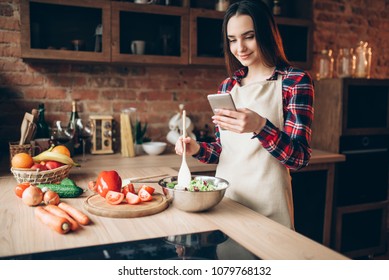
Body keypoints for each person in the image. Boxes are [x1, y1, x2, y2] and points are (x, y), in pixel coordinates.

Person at [175, 0, 314, 229]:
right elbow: (224, 150)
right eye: (232, 40)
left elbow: (299, 158)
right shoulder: (227, 87)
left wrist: (260, 126)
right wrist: (197, 149)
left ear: (266, 33)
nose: (240, 47)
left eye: (249, 36)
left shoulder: (295, 81)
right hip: (227, 203)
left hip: (270, 208)